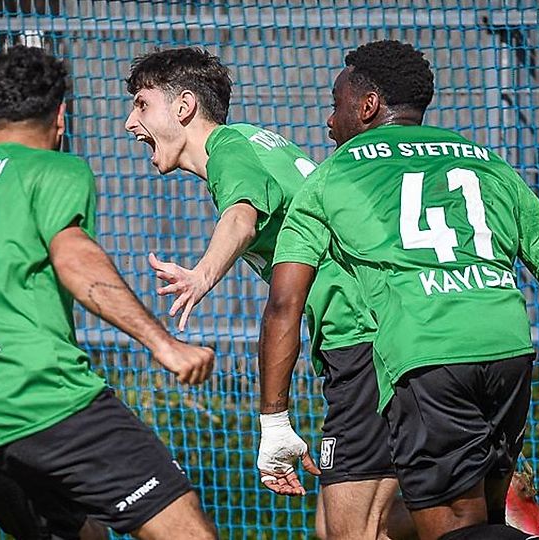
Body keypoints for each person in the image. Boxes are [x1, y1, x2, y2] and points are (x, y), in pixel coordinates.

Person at [261, 39, 539, 540]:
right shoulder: (487, 162)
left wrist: (274, 424)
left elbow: (283, 305)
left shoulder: (331, 177)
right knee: (482, 521)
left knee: (457, 533)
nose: (328, 122)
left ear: (367, 106)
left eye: (335, 107)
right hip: (509, 354)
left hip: (427, 363)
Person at [0, 45, 217, 540]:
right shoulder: (52, 169)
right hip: (40, 400)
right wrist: (163, 343)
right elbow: (74, 256)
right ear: (60, 115)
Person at [124, 47, 414, 540]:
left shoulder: (228, 149)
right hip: (380, 332)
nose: (131, 122)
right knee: (343, 527)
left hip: (365, 340)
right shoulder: (255, 143)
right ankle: (488, 511)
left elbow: (240, 216)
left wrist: (202, 275)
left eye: (141, 104)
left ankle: (498, 523)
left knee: (352, 531)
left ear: (184, 107)